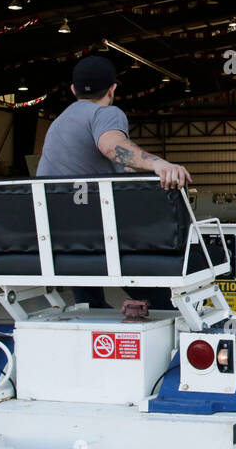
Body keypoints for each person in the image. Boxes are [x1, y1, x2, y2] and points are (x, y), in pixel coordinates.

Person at [37, 55, 192, 310]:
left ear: (74, 90)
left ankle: (94, 311)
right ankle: (167, 309)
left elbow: (106, 160)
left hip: (60, 240)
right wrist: (157, 164)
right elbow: (111, 146)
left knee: (90, 300)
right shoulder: (106, 113)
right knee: (163, 285)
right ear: (112, 89)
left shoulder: (58, 123)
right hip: (99, 239)